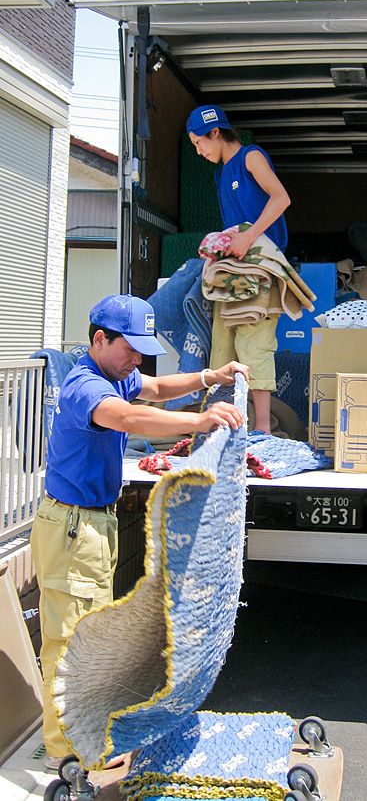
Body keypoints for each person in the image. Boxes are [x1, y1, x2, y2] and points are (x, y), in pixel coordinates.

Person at [30, 293, 248, 770]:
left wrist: (210, 377)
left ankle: (82, 734)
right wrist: (199, 420)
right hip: (72, 529)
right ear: (99, 339)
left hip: (91, 524)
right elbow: (128, 417)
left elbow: (157, 387)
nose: (137, 359)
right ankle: (66, 752)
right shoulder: (85, 387)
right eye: (130, 348)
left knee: (89, 636)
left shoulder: (117, 375)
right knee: (69, 642)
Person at [187, 103, 291, 433]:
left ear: (215, 132)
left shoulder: (250, 157)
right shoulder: (221, 174)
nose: (199, 151)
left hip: (263, 264)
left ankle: (262, 431)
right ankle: (226, 426)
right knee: (223, 344)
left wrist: (249, 236)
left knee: (254, 345)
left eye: (199, 142)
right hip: (235, 268)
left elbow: (281, 198)